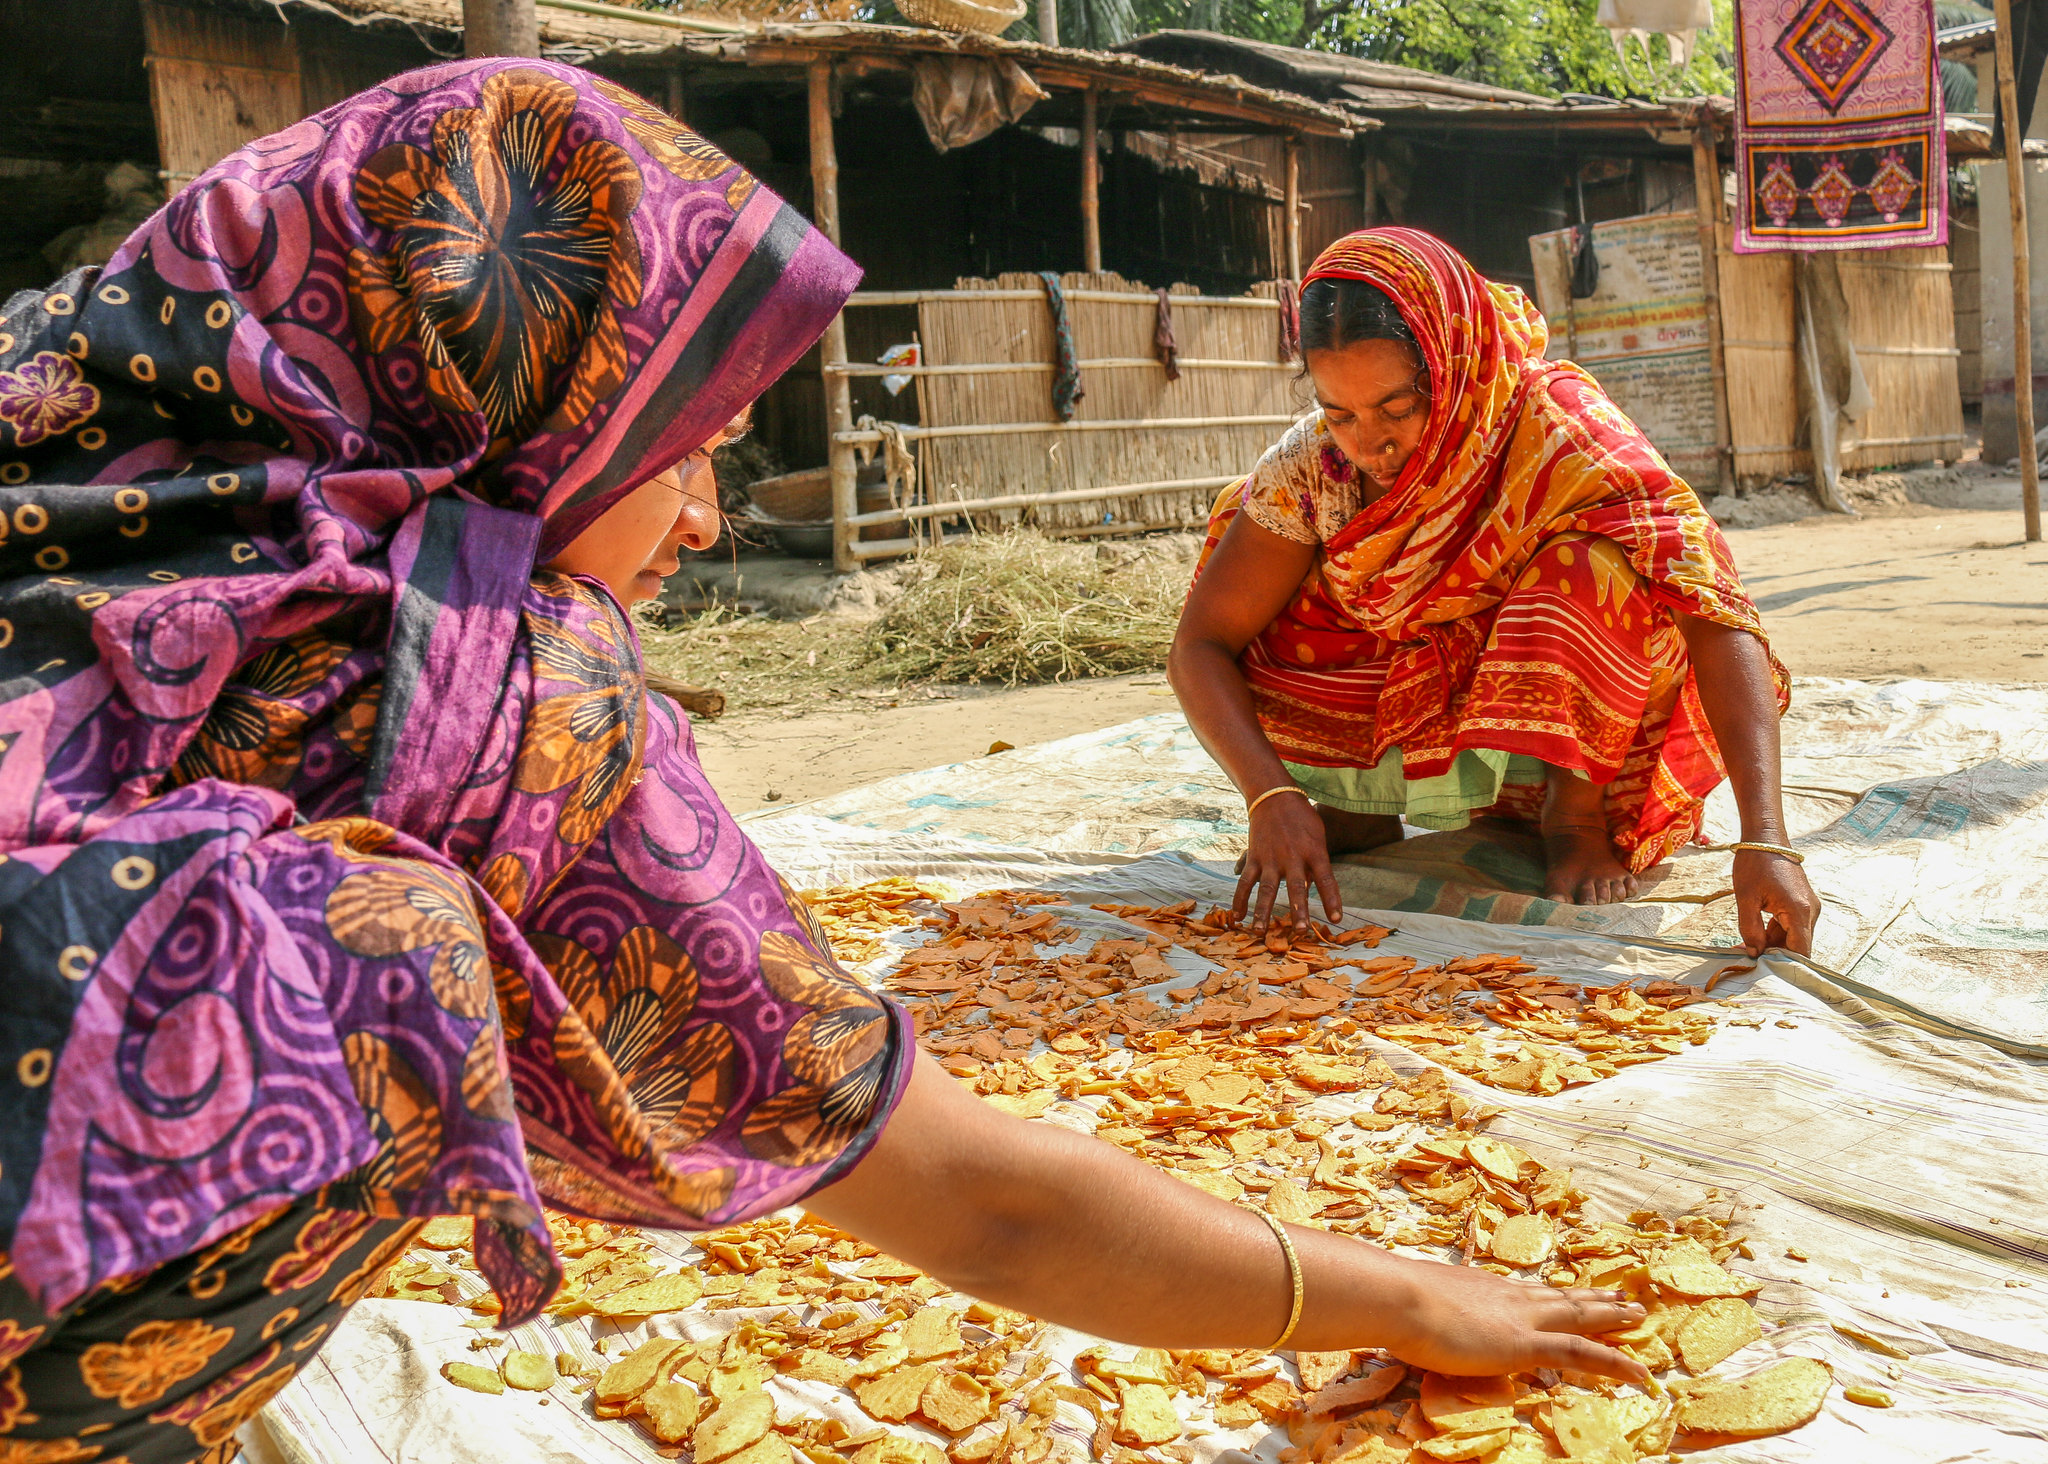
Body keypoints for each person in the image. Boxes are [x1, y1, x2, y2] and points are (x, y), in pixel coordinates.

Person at [0, 65, 1646, 1464]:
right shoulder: (497, 720)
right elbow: (978, 1196)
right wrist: (1403, 1293)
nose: (709, 518)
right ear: (512, 413)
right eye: (685, 448)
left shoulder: (62, 452)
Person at [1171, 229, 1819, 955]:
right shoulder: (1315, 470)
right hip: (1422, 701)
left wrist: (1768, 840)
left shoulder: (1558, 429)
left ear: (1452, 367)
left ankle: (1570, 816)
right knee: (1251, 531)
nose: (1369, 447)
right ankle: (1357, 801)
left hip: (1558, 733)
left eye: (1397, 408)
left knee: (1593, 571)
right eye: (1339, 413)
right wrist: (1269, 794)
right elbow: (1200, 645)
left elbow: (1713, 611)